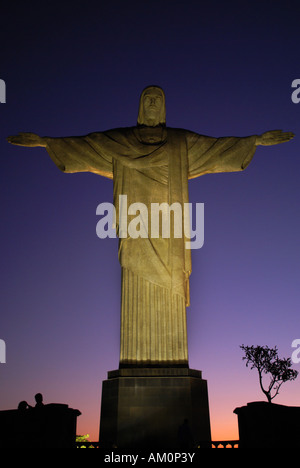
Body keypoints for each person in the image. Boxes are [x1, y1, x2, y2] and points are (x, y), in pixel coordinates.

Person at [7, 86, 294, 368]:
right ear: (141, 106)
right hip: (135, 230)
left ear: (165, 107)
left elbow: (216, 149)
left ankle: (171, 359)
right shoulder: (120, 141)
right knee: (134, 279)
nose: (154, 103)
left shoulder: (180, 142)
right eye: (149, 99)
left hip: (170, 231)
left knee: (171, 286)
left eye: (159, 99)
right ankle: (135, 359)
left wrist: (253, 141)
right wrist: (47, 142)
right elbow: (86, 145)